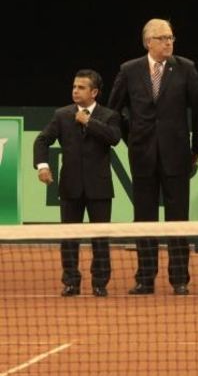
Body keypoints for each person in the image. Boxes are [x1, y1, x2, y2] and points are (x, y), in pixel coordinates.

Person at [108, 18, 198, 295]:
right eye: (163, 38)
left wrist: (197, 148)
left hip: (178, 156)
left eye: (171, 38)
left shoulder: (186, 68)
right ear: (148, 42)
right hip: (142, 156)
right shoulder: (129, 70)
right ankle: (145, 278)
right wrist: (131, 140)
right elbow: (114, 110)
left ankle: (179, 279)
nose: (169, 42)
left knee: (178, 218)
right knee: (144, 218)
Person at [34, 69, 121, 297]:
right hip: (70, 187)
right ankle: (71, 282)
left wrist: (89, 121)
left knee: (100, 239)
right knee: (69, 239)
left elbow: (114, 138)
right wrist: (42, 166)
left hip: (99, 189)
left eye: (81, 87)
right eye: (74, 86)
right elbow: (42, 140)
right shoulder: (62, 115)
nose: (75, 91)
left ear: (94, 92)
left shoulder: (108, 115)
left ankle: (100, 283)